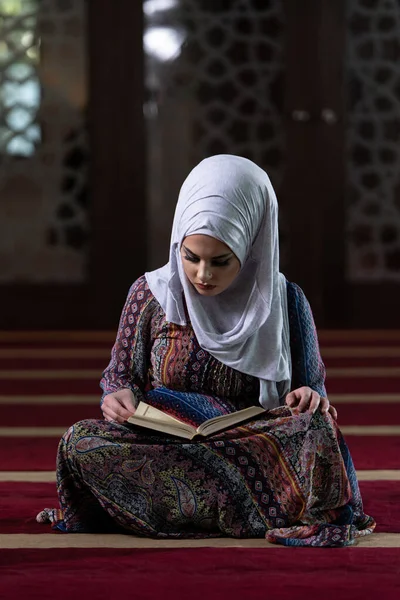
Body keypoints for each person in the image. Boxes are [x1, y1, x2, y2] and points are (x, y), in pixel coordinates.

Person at [37, 154, 375, 546]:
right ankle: (243, 508)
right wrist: (117, 395)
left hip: (250, 439)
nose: (202, 275)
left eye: (220, 261)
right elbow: (119, 376)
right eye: (190, 257)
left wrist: (307, 396)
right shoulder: (151, 295)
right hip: (165, 439)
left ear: (251, 247)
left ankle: (178, 508)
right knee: (80, 442)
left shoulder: (285, 301)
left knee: (317, 429)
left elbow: (313, 394)